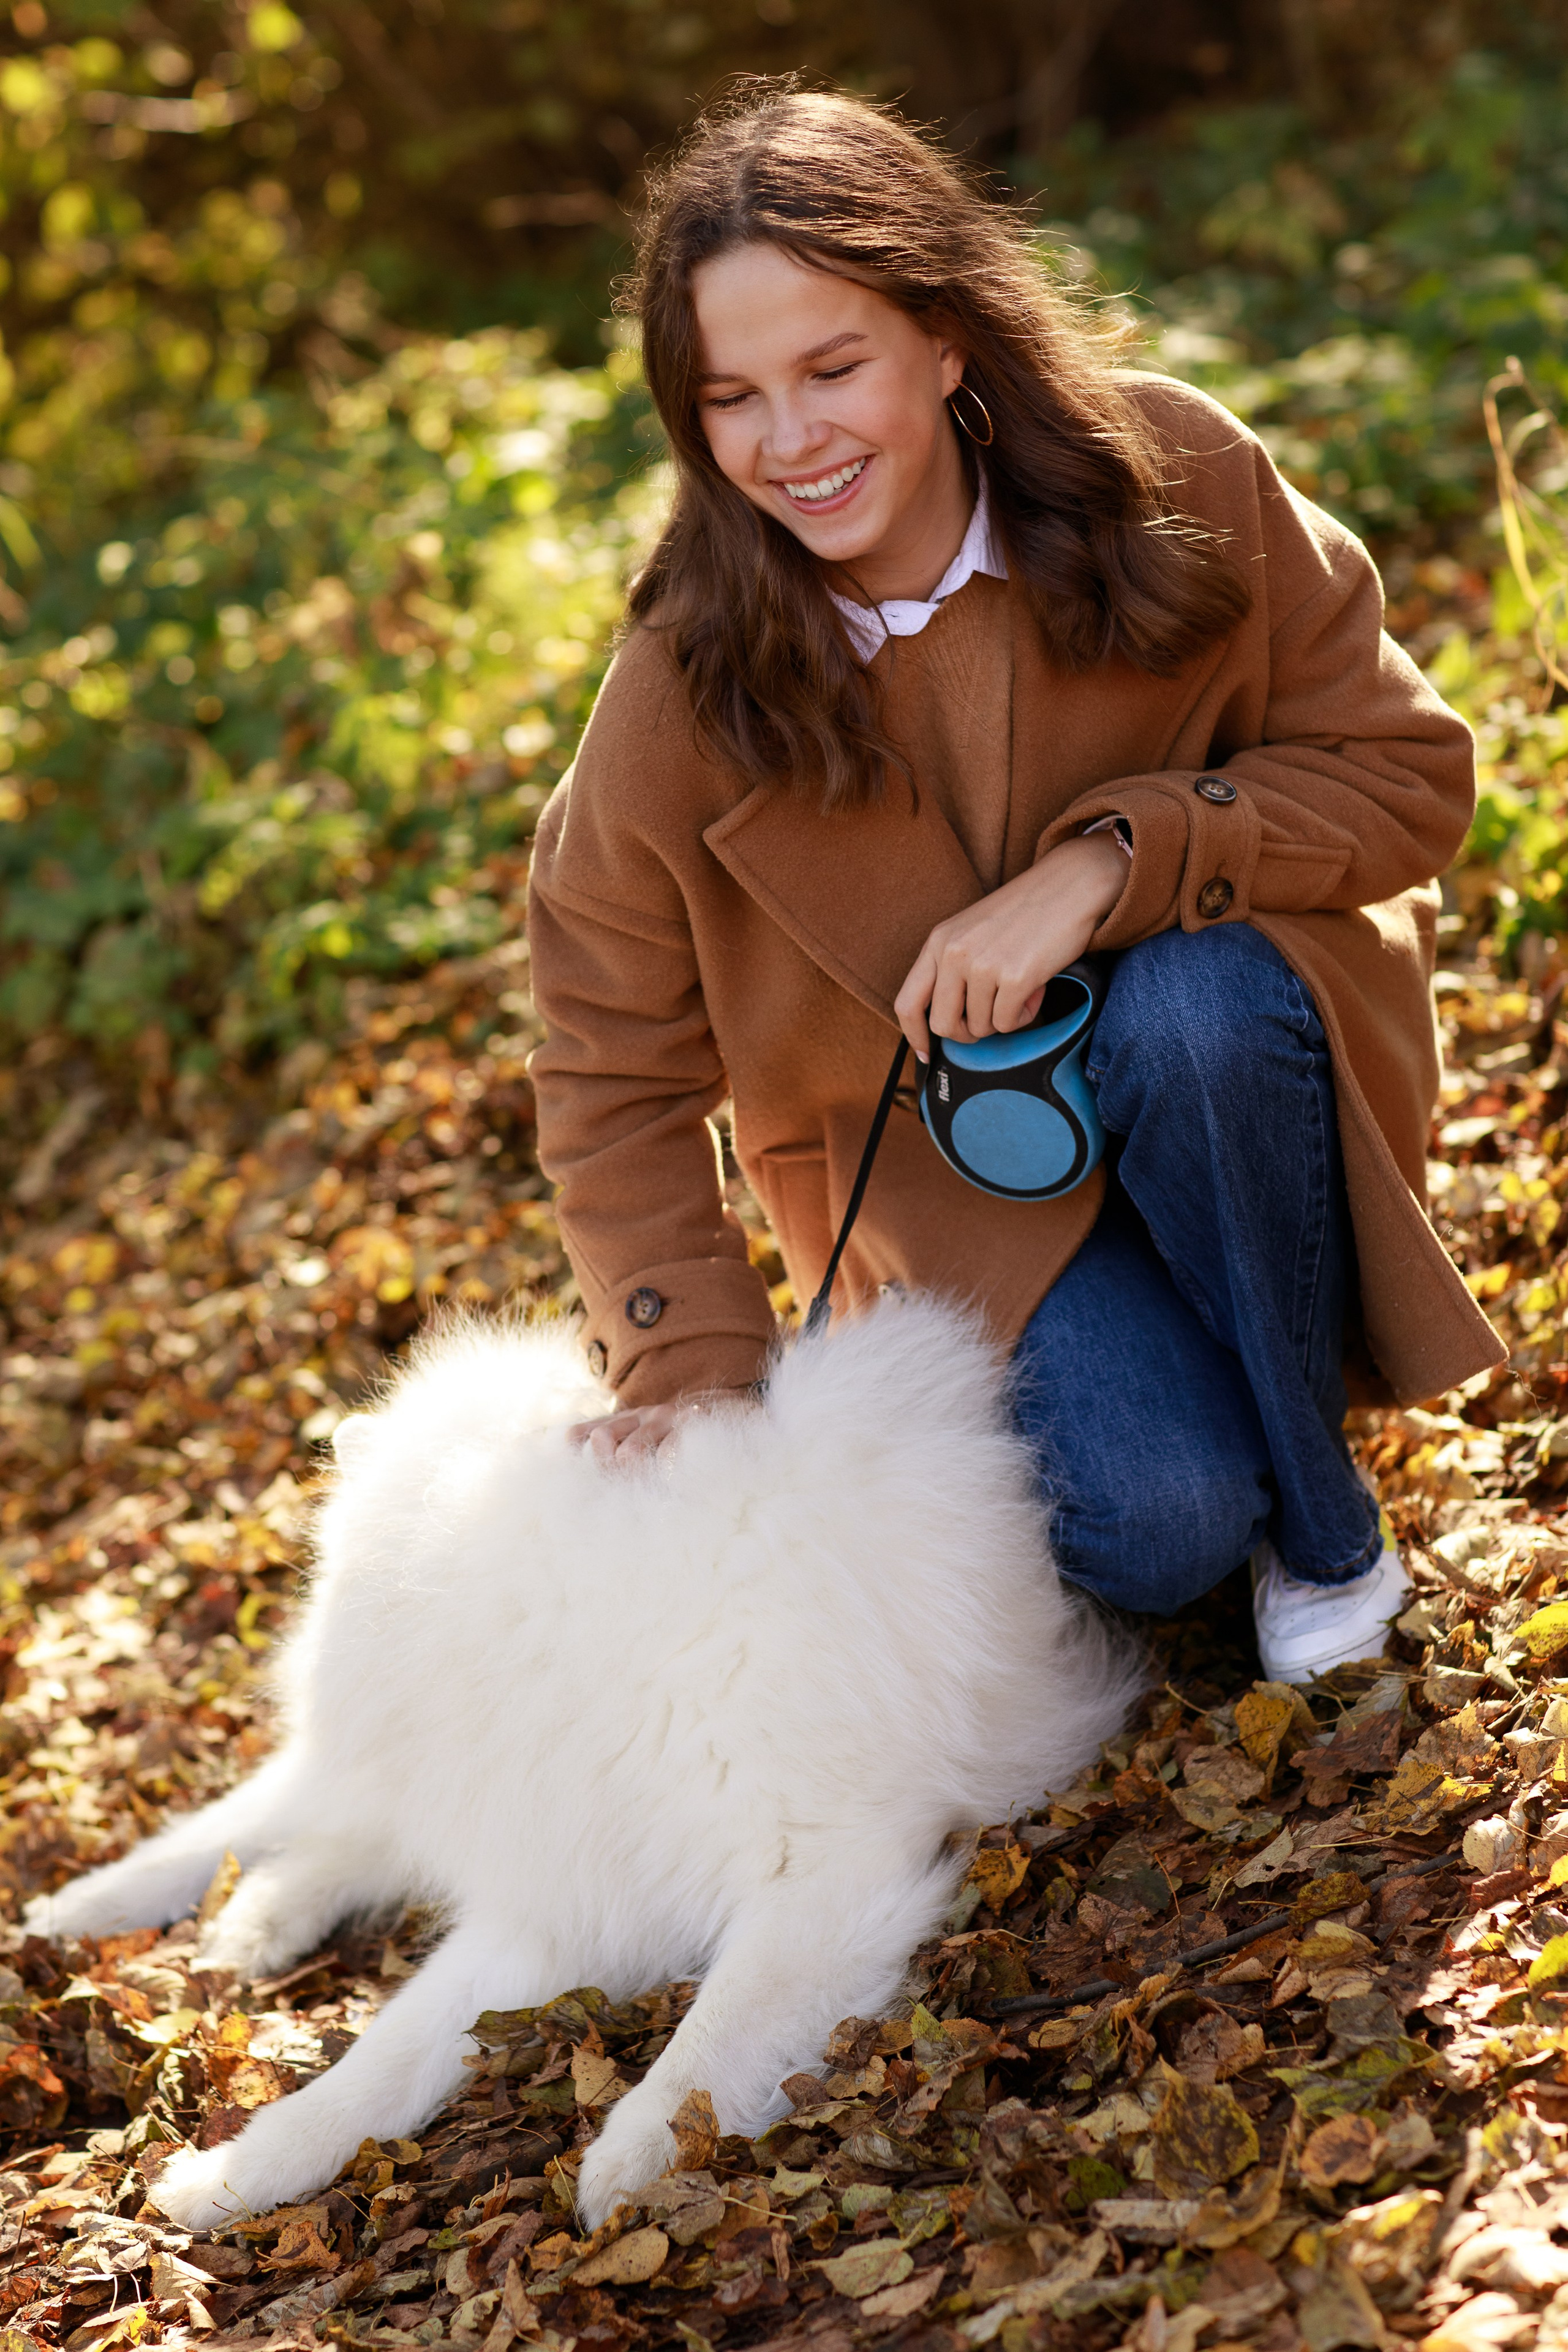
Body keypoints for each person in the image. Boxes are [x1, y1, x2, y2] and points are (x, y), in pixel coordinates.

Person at [526, 86, 1504, 1684]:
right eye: (734, 398)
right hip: (958, 1203)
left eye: (834, 368)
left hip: (1245, 1092)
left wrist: (1112, 865)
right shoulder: (679, 693)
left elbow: (1410, 775)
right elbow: (605, 1063)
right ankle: (1228, 1441)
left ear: (947, 339)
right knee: (1161, 1526)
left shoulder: (1170, 474)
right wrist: (689, 1371)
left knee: (1193, 1008)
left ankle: (1325, 1526)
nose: (795, 439)